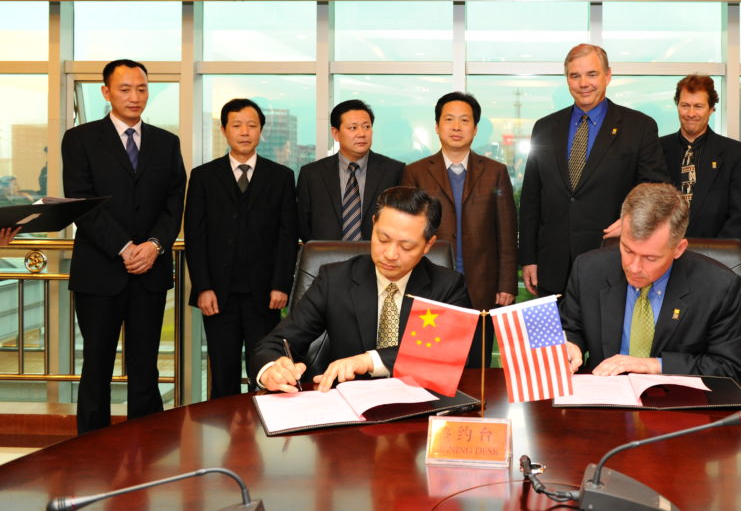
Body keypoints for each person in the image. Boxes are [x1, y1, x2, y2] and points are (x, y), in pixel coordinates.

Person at [62, 59, 186, 433]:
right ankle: (91, 449)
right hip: (99, 273)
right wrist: (124, 248)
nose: (135, 97)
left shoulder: (166, 143)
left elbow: (174, 202)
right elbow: (80, 202)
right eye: (125, 89)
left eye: (142, 89)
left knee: (145, 366)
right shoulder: (80, 139)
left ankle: (143, 447)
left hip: (150, 271)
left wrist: (153, 246)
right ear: (106, 92)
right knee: (96, 364)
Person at [253, 186, 472, 392]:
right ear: (373, 223)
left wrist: (369, 360)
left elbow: (450, 355)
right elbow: (277, 342)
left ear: (428, 245)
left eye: (406, 246)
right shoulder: (334, 280)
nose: (390, 254)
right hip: (351, 415)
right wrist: (272, 369)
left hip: (421, 411)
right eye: (383, 239)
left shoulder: (448, 287)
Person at [519, 43, 670, 297]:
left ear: (608, 76)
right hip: (552, 267)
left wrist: (633, 221)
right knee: (557, 338)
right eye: (574, 76)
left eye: (592, 74)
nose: (583, 83)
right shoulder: (544, 128)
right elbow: (531, 199)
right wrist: (529, 258)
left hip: (612, 262)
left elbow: (657, 192)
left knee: (604, 337)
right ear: (567, 79)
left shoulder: (638, 127)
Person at [560, 182, 741, 382]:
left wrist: (653, 365)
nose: (634, 267)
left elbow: (729, 368)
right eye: (628, 250)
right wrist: (571, 345)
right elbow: (571, 329)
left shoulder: (718, 287)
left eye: (650, 258)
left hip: (676, 402)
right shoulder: (588, 270)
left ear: (679, 249)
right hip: (606, 395)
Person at [184, 98, 298, 399]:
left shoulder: (282, 177)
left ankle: (265, 437)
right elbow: (195, 237)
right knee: (223, 373)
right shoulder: (203, 176)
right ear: (224, 130)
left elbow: (288, 236)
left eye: (252, 125)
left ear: (261, 130)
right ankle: (225, 442)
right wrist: (203, 287)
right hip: (217, 295)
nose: (244, 132)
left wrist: (280, 285)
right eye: (237, 125)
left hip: (266, 295)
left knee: (267, 371)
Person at [401, 92, 517, 367]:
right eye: (449, 119)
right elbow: (408, 232)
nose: (456, 127)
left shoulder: (495, 171)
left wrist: (507, 283)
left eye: (464, 120)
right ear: (437, 126)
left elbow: (507, 231)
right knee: (432, 363)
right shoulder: (415, 172)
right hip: (430, 285)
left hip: (482, 285)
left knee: (478, 367)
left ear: (475, 129)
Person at [660, 74, 741, 240]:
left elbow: (739, 218)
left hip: (714, 256)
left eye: (698, 106)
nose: (691, 113)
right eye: (685, 105)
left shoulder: (737, 154)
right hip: (663, 253)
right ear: (677, 106)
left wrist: (715, 255)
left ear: (711, 109)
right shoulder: (657, 149)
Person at [297, 99, 404, 242]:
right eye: (353, 128)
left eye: (367, 127)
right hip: (326, 258)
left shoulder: (393, 171)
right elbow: (302, 224)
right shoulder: (312, 174)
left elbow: (401, 220)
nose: (362, 133)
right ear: (335, 133)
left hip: (377, 259)